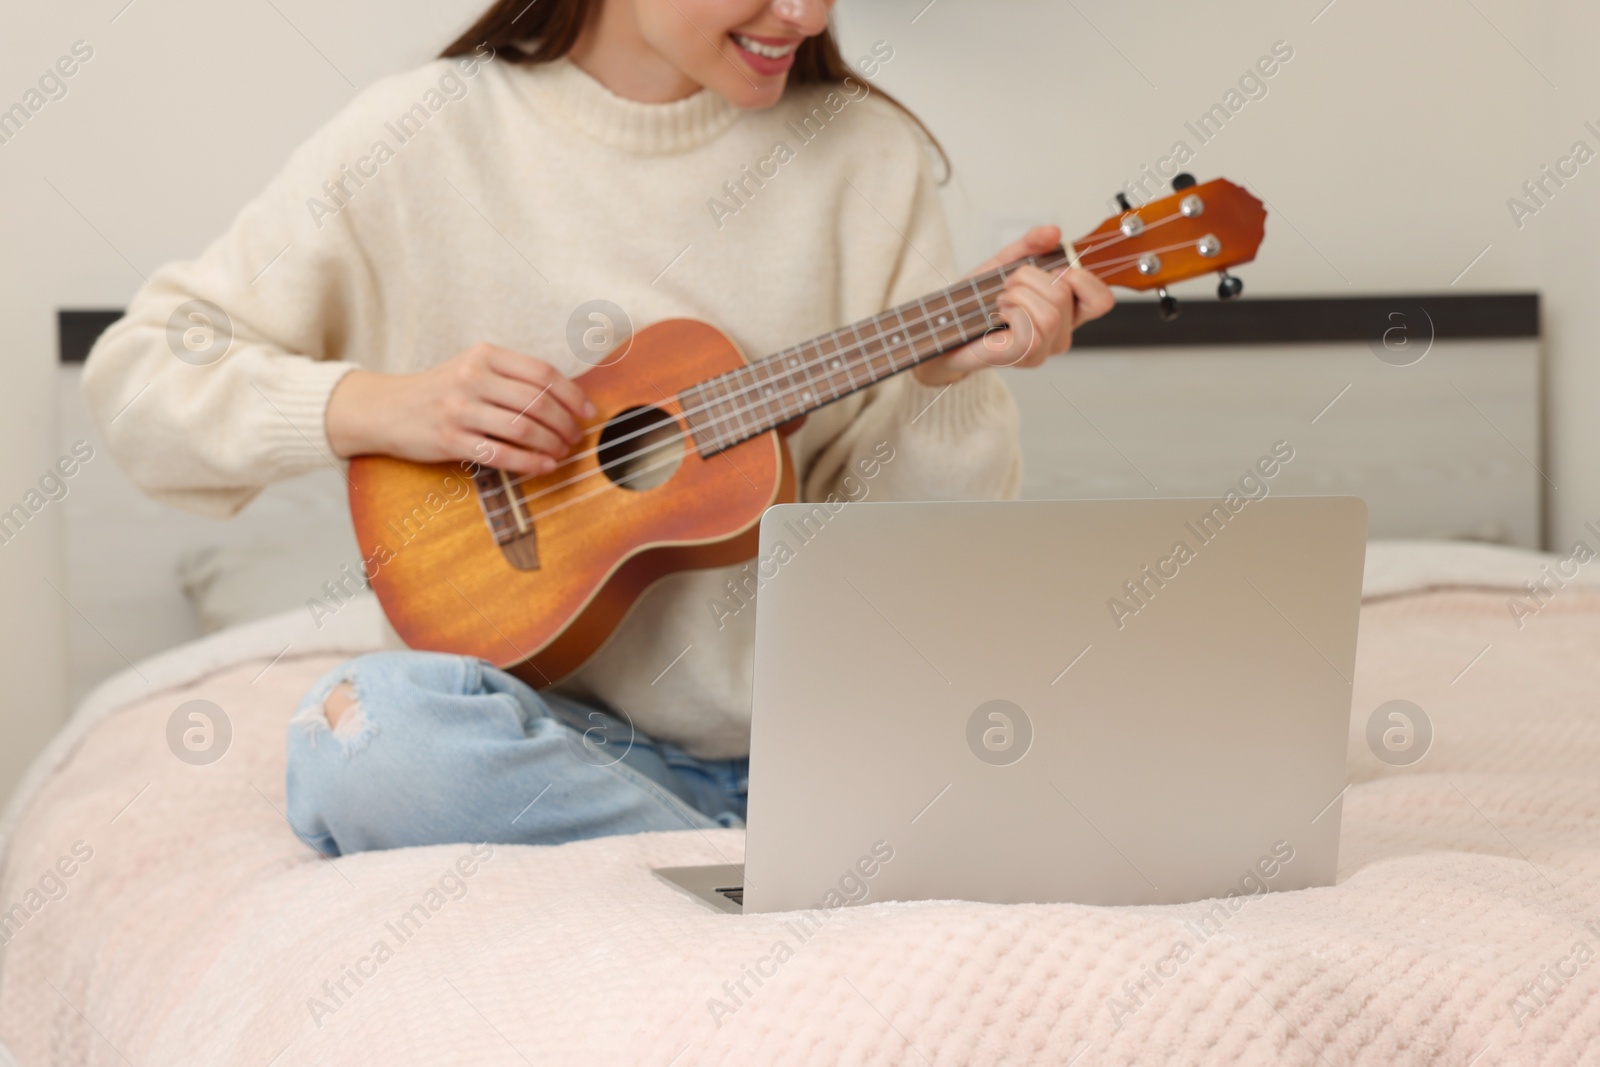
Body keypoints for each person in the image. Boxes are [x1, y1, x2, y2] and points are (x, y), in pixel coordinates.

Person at [82, 0, 1115, 856]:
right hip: (549, 738)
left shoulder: (866, 159)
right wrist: (375, 405)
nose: (803, 15)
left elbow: (927, 573)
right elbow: (138, 384)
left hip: (822, 749)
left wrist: (946, 387)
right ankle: (733, 866)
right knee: (368, 736)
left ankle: (716, 862)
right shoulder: (421, 137)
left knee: (1081, 752)